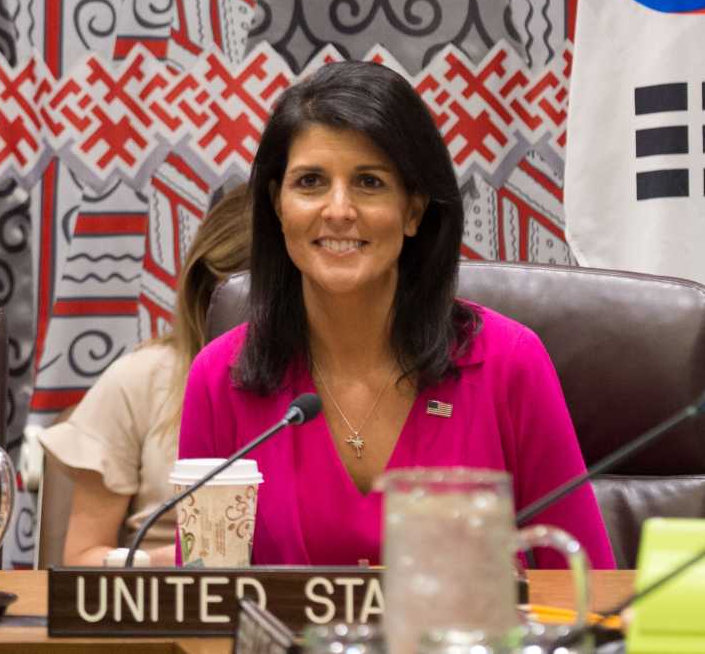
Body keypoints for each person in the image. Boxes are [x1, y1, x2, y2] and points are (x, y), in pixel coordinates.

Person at [179, 61, 615, 568]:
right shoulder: (219, 378)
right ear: (278, 206)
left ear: (413, 210)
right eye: (311, 182)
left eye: (369, 182)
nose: (338, 209)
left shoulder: (509, 364)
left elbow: (584, 585)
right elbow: (200, 600)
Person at [40, 186, 251, 565]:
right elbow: (81, 558)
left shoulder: (344, 387)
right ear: (208, 292)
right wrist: (171, 561)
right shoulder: (141, 378)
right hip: (162, 604)